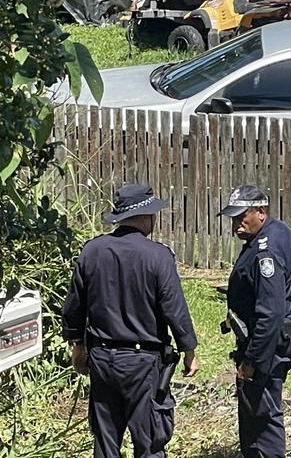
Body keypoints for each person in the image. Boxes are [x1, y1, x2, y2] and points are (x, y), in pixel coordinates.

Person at [62, 183, 199, 458]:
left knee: (105, 442)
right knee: (148, 440)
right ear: (147, 216)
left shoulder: (92, 251)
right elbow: (174, 308)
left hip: (101, 358)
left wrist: (78, 345)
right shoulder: (158, 256)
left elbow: (74, 307)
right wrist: (189, 350)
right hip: (142, 363)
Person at [221, 185, 291, 458]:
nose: (236, 224)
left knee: (262, 412)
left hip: (268, 343)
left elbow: (270, 312)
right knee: (255, 409)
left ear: (260, 211)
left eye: (241, 216)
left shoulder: (264, 253)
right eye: (233, 218)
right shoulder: (276, 231)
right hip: (273, 338)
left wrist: (252, 360)